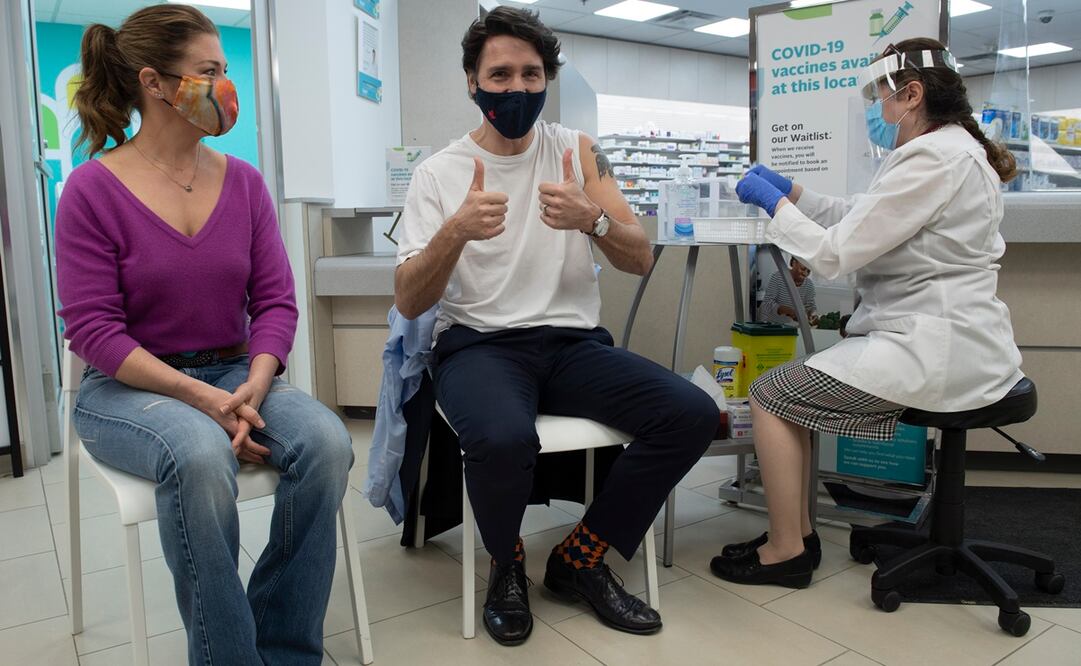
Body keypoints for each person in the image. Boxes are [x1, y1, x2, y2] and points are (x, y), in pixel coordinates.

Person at [394, 6, 718, 645]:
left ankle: (580, 557)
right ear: (472, 81)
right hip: (480, 347)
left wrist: (591, 221)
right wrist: (455, 232)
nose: (517, 88)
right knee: (503, 437)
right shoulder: (438, 174)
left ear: (548, 79)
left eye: (532, 74)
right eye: (501, 74)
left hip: (572, 345)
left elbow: (639, 254)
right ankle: (506, 562)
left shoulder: (576, 152)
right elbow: (408, 300)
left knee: (692, 414)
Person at [55, 6, 353, 664]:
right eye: (209, 71)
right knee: (195, 454)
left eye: (224, 69)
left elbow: (275, 300)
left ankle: (283, 644)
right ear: (155, 83)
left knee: (328, 443)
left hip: (232, 372)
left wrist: (252, 382)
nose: (225, 85)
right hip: (129, 388)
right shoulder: (90, 191)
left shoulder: (243, 183)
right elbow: (93, 330)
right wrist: (201, 399)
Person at [710, 38, 1023, 589]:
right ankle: (797, 532)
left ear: (912, 94)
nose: (878, 109)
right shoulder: (949, 150)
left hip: (933, 348)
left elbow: (835, 253)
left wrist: (771, 204)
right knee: (792, 391)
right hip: (953, 339)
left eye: (882, 96)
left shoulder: (933, 157)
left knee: (770, 394)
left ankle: (787, 551)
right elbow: (860, 215)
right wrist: (793, 191)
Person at [761, 256, 819, 326]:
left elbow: (810, 305)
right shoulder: (778, 277)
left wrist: (813, 314)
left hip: (789, 326)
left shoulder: (809, 284)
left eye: (808, 271)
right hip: (770, 324)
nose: (805, 274)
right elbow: (767, 303)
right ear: (794, 263)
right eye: (803, 269)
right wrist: (788, 311)